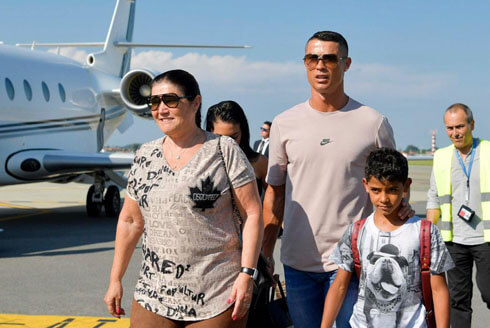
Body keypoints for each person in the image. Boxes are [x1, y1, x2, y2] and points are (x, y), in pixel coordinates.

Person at [262, 30, 413, 328]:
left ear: (346, 64)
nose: (320, 65)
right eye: (312, 58)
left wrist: (401, 212)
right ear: (304, 64)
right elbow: (275, 192)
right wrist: (265, 252)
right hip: (297, 261)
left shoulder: (373, 122)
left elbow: (393, 182)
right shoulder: (283, 123)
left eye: (329, 58)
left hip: (353, 260)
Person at [104, 69, 263, 328]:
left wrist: (247, 274)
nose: (161, 109)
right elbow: (131, 221)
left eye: (171, 100)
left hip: (216, 293)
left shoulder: (223, 150)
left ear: (196, 103)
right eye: (155, 102)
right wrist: (115, 279)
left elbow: (252, 214)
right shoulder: (145, 155)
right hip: (154, 293)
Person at [321, 148, 453, 328]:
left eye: (392, 190)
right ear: (365, 184)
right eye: (376, 190)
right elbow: (339, 286)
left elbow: (439, 290)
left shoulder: (425, 232)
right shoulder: (356, 232)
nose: (384, 198)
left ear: (406, 186)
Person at [426, 103, 490, 327]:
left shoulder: (488, 151)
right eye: (450, 128)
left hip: (486, 239)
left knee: (489, 293)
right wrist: (427, 232)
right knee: (458, 301)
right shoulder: (442, 157)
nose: (455, 133)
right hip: (453, 241)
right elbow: (434, 197)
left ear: (472, 124)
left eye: (460, 126)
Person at [206, 101, 268, 197]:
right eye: (220, 137)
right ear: (210, 132)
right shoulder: (200, 162)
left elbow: (275, 201)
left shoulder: (259, 163)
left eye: (233, 138)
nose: (227, 144)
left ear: (242, 132)